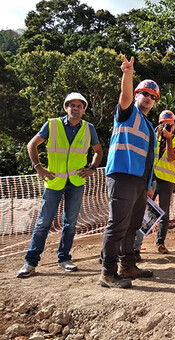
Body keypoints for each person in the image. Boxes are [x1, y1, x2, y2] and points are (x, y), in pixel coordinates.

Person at [17, 92, 103, 278]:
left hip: (76, 182)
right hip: (54, 181)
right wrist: (38, 167)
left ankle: (64, 259)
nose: (75, 108)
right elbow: (32, 145)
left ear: (84, 109)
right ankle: (30, 262)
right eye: (72, 105)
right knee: (43, 223)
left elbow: (98, 151)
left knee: (70, 224)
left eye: (79, 106)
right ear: (66, 107)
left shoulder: (89, 128)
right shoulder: (52, 124)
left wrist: (92, 168)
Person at [100, 56, 158, 288]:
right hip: (122, 176)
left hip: (139, 182)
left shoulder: (148, 125)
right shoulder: (126, 113)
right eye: (144, 93)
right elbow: (124, 96)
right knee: (117, 225)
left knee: (132, 227)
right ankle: (108, 272)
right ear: (136, 95)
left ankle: (127, 265)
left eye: (152, 97)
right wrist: (128, 73)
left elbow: (148, 158)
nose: (148, 99)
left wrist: (148, 185)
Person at [134, 110, 175, 254]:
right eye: (164, 124)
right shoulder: (152, 138)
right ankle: (136, 245)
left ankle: (160, 242)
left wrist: (168, 139)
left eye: (170, 124)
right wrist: (156, 137)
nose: (168, 127)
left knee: (163, 213)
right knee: (142, 211)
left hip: (166, 182)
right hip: (151, 179)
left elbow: (170, 158)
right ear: (159, 125)